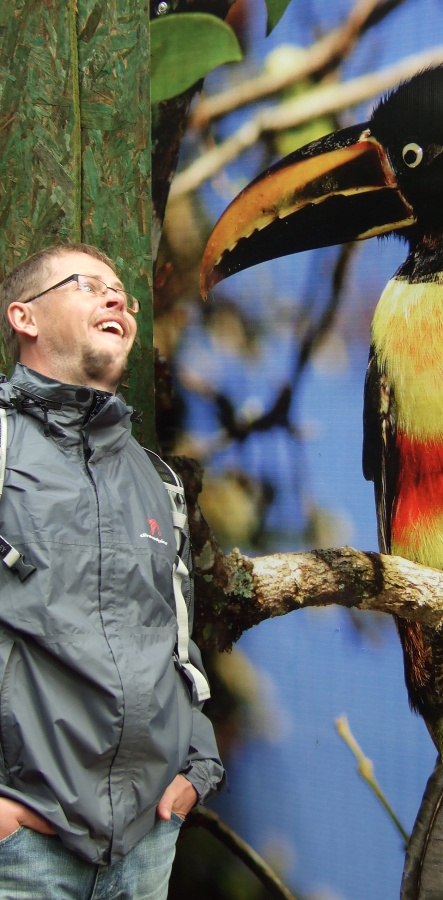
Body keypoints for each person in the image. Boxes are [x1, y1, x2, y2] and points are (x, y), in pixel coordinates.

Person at [0, 243, 224, 899]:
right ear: (25, 318)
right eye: (87, 285)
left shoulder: (157, 482)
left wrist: (197, 766)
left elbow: (176, 638)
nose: (115, 299)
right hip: (25, 852)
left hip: (146, 845)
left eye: (121, 293)